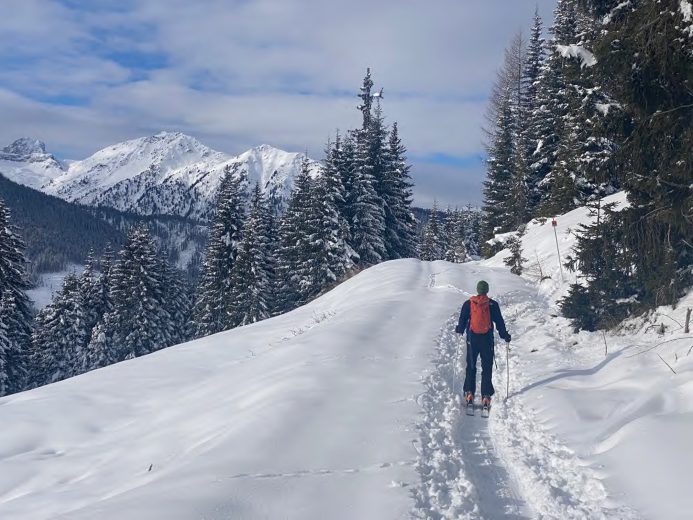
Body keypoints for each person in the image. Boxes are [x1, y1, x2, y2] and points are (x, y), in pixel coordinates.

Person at [454, 280, 511, 407]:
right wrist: (505, 336)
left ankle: (469, 392)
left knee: (471, 366)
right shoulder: (492, 305)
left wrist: (459, 329)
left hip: (472, 339)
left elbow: (462, 320)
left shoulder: (469, 303)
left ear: (478, 290)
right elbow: (499, 322)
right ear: (487, 290)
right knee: (487, 367)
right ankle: (486, 395)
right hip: (487, 339)